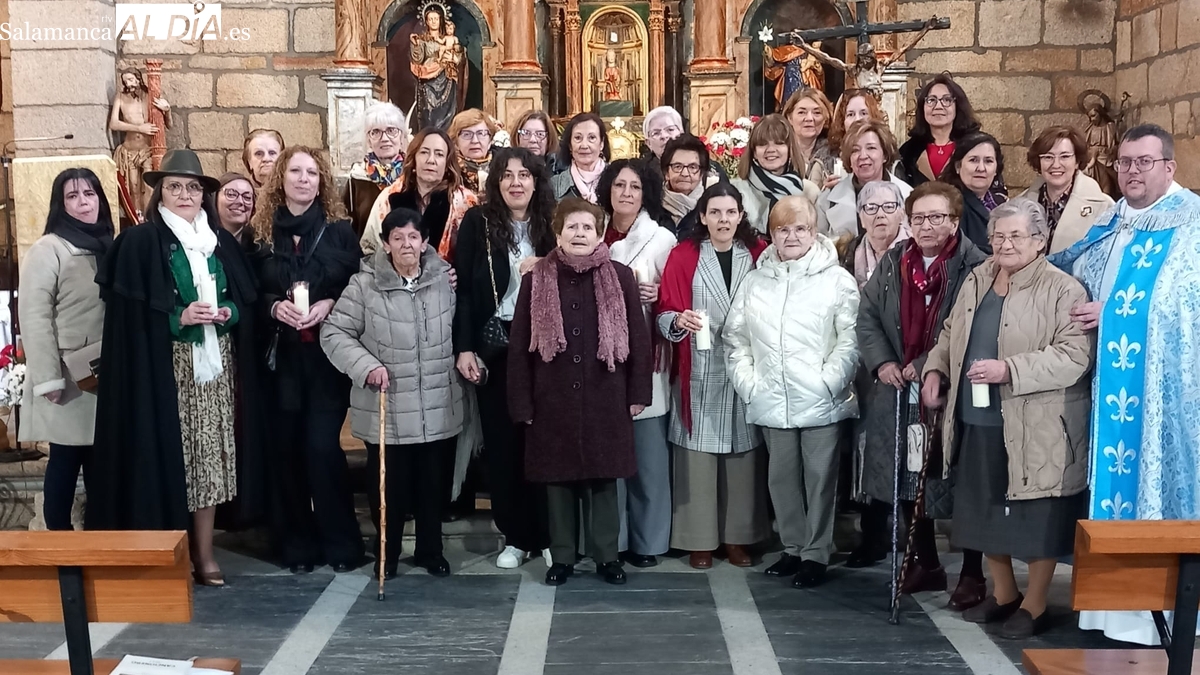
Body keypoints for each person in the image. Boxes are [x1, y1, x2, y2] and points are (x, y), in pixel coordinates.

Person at [88, 149, 267, 588]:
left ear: (204, 195)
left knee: (207, 465)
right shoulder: (140, 243)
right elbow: (131, 318)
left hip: (215, 372)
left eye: (192, 187)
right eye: (174, 186)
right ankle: (169, 556)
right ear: (159, 194)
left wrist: (226, 313)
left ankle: (205, 555)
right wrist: (178, 317)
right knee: (170, 462)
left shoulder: (219, 243)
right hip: (165, 373)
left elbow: (243, 302)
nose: (184, 194)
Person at [1050, 124, 1200, 645]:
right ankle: (1112, 607)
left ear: (1169, 168)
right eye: (1124, 163)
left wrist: (1112, 314)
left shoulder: (1191, 224)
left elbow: (1182, 307)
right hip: (1113, 389)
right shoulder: (1115, 216)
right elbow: (1074, 269)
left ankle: (1162, 612)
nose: (1132, 171)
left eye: (1143, 162)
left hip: (1164, 399)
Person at [921, 198, 1092, 639]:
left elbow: (1074, 356)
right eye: (998, 236)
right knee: (982, 510)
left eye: (1016, 235)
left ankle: (1034, 604)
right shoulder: (978, 279)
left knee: (1036, 514)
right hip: (976, 415)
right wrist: (936, 369)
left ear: (1039, 240)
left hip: (1034, 421)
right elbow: (949, 332)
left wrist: (1009, 370)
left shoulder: (1063, 289)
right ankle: (1002, 593)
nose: (1005, 244)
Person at [855, 181, 988, 607]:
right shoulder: (895, 261)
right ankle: (924, 561)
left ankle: (972, 571)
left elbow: (973, 327)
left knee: (960, 478)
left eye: (936, 217)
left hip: (954, 387)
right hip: (899, 386)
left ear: (954, 221)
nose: (926, 226)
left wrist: (930, 361)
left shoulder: (976, 266)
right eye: (918, 218)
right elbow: (868, 317)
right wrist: (883, 362)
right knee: (913, 474)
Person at [508, 197, 652, 586]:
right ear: (557, 233)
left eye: (587, 227)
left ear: (600, 233)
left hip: (607, 395)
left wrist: (638, 392)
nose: (579, 233)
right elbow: (520, 346)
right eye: (571, 227)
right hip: (551, 399)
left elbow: (638, 341)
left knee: (605, 480)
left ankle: (607, 557)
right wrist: (522, 403)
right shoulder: (535, 279)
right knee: (558, 483)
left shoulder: (620, 277)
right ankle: (563, 558)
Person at [321, 207, 464, 579]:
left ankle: (431, 550)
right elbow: (334, 332)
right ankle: (388, 553)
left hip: (437, 403)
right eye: (397, 237)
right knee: (389, 491)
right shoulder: (364, 284)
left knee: (433, 486)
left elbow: (463, 325)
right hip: (388, 404)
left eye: (413, 237)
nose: (406, 244)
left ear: (425, 241)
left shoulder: (444, 280)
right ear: (385, 243)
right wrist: (366, 366)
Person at [724, 196, 859, 588]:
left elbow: (849, 340)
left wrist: (829, 382)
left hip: (820, 399)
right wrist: (750, 385)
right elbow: (736, 340)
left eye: (800, 228)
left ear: (814, 232)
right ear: (772, 235)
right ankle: (794, 547)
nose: (792, 236)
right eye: (783, 229)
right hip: (772, 398)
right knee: (781, 479)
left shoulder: (836, 280)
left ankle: (816, 553)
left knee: (819, 479)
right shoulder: (755, 281)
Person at [253, 146, 366, 575]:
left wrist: (331, 304)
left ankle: (341, 542)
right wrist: (272, 307)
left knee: (321, 449)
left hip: (324, 360)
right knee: (287, 452)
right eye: (295, 171)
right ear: (281, 178)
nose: (304, 179)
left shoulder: (339, 230)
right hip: (281, 361)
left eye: (312, 172)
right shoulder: (261, 233)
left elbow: (359, 283)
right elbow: (248, 288)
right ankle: (297, 544)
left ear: (322, 182)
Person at [656, 182, 770, 570]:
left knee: (742, 455)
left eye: (730, 212)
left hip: (745, 365)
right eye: (715, 212)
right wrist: (677, 320)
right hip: (699, 365)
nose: (723, 219)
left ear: (741, 216)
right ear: (702, 217)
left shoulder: (758, 253)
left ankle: (737, 537)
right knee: (697, 457)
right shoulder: (684, 254)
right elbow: (664, 308)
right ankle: (699, 539)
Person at [453, 147, 557, 569]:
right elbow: (461, 291)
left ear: (536, 181)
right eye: (507, 175)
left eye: (525, 175)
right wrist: (464, 347)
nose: (516, 182)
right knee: (502, 442)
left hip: (545, 345)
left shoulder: (553, 222)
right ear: (496, 183)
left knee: (544, 442)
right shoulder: (478, 223)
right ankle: (515, 536)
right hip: (496, 343)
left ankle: (548, 534)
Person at [20, 169, 113, 531]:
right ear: (61, 204)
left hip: (103, 372)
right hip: (69, 377)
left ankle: (97, 542)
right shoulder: (50, 248)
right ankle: (59, 547)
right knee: (65, 458)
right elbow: (34, 315)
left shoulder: (107, 244)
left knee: (98, 463)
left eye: (89, 194)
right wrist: (48, 378)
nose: (83, 203)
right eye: (72, 196)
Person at [597, 159, 678, 567]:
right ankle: (616, 541)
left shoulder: (661, 239)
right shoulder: (594, 234)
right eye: (619, 186)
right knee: (611, 459)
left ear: (645, 193)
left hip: (647, 356)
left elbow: (679, 293)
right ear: (607, 191)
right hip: (603, 360)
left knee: (648, 459)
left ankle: (648, 542)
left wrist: (657, 292)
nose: (626, 193)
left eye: (634, 187)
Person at [361, 127, 479, 259]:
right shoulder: (389, 196)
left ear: (447, 164)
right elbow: (369, 248)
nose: (431, 160)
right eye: (424, 152)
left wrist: (455, 272)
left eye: (439, 154)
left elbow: (475, 255)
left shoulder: (465, 201)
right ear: (414, 159)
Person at [1017, 125, 1113, 254]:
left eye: (1065, 156)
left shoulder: (1104, 207)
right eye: (1048, 157)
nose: (1056, 165)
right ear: (1038, 162)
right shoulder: (1018, 204)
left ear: (1077, 161)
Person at [817, 120, 912, 241]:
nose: (863, 156)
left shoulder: (908, 196)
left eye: (871, 148)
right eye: (855, 150)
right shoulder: (826, 201)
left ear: (885, 155)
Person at [727, 114, 820, 234]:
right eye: (762, 144)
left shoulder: (809, 192)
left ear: (789, 148)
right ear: (754, 152)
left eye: (779, 143)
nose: (771, 149)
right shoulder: (735, 190)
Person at [897, 74, 980, 188]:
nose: (938, 106)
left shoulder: (975, 146)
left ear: (958, 106)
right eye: (931, 100)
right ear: (923, 107)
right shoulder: (908, 151)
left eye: (947, 100)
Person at [342, 101, 410, 237]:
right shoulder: (356, 180)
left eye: (391, 131)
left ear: (402, 137)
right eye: (376, 132)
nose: (384, 138)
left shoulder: (411, 175)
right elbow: (346, 227)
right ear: (368, 140)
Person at [940, 132, 1007, 254]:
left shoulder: (1001, 203)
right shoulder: (949, 205)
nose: (981, 168)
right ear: (957, 166)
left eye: (988, 161)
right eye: (973, 160)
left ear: (996, 169)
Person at [844, 180, 911, 289]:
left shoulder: (918, 249)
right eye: (871, 208)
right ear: (861, 218)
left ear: (901, 214)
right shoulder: (848, 253)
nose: (880, 215)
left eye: (889, 207)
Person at [660, 134, 721, 238]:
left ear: (701, 173)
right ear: (666, 173)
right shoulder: (653, 208)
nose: (685, 173)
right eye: (677, 166)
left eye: (693, 167)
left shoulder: (712, 207)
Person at [781, 88, 837, 187]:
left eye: (817, 113)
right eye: (802, 112)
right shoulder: (779, 153)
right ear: (790, 118)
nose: (809, 118)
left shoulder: (834, 154)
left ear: (825, 118)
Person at [552, 113, 610, 203]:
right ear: (570, 145)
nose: (584, 145)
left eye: (592, 138)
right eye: (578, 138)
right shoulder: (554, 185)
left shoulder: (616, 179)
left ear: (601, 144)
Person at [449, 109, 499, 194]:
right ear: (456, 142)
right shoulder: (449, 170)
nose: (475, 141)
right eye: (467, 134)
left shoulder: (504, 167)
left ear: (490, 140)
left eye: (481, 134)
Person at [829, 89, 886, 159]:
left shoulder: (885, 153)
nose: (857, 119)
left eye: (863, 113)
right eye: (851, 114)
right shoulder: (829, 158)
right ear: (842, 121)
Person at [512, 109, 562, 174]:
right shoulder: (505, 168)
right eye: (526, 133)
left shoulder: (559, 172)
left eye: (540, 134)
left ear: (549, 138)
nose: (533, 140)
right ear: (517, 137)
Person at [216, 172, 257, 250]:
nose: (240, 201)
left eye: (247, 197)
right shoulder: (201, 240)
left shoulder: (260, 247)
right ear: (215, 197)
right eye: (231, 194)